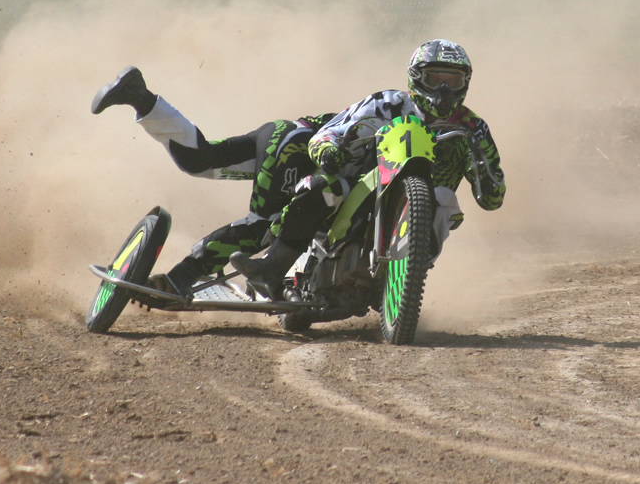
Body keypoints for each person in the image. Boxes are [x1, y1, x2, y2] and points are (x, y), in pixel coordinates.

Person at [230, 39, 506, 299]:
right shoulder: (386, 104)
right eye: (435, 79)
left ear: (465, 83)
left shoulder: (474, 128)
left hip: (424, 210)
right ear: (417, 78)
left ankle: (410, 271)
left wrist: (483, 172)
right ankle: (273, 267)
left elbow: (493, 200)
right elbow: (327, 134)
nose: (443, 91)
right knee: (324, 185)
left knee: (446, 196)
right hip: (363, 186)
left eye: (452, 81)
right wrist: (328, 151)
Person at [91, 66, 335, 297]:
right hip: (297, 148)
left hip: (287, 134)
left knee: (200, 160)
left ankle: (138, 96)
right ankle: (181, 277)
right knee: (264, 225)